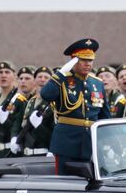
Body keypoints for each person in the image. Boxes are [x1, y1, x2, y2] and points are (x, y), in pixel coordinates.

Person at [41, 38, 106, 170]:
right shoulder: (62, 80)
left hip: (91, 142)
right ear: (73, 61)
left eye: (90, 60)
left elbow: (105, 116)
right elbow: (46, 95)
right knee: (65, 183)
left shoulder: (97, 83)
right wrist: (60, 75)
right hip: (66, 142)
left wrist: (108, 142)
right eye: (83, 60)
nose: (88, 63)